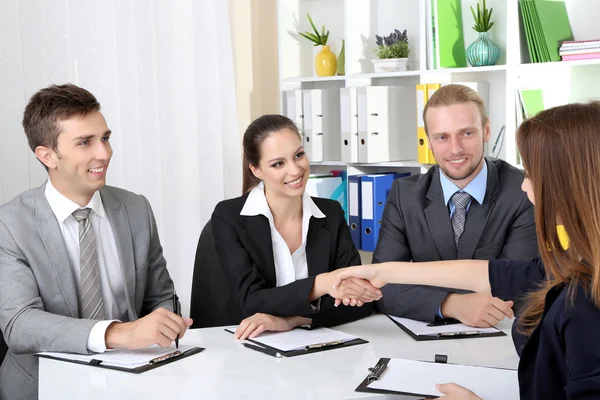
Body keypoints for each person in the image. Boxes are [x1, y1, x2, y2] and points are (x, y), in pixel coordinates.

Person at [334, 102, 600, 399]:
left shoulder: (586, 302)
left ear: (566, 182)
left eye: (531, 174)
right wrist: (381, 270)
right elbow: (498, 273)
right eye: (442, 136)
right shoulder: (580, 264)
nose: (525, 187)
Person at [0, 84, 192, 400]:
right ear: (47, 155)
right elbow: (20, 324)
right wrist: (118, 334)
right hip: (42, 386)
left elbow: (160, 296)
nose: (103, 153)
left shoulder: (135, 209)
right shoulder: (10, 224)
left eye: (104, 138)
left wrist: (164, 324)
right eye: (85, 142)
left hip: (134, 378)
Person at [373, 84, 538, 327]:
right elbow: (381, 286)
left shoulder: (524, 191)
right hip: (419, 339)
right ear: (428, 140)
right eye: (442, 137)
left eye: (467, 134)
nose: (455, 149)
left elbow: (521, 286)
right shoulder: (404, 194)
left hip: (499, 338)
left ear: (487, 130)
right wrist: (449, 304)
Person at [211, 114, 379, 340]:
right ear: (256, 170)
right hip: (250, 346)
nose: (295, 170)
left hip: (317, 345)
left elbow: (360, 301)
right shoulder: (229, 217)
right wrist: (322, 284)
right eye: (278, 163)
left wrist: (292, 321)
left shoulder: (330, 213)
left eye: (298, 155)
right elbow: (250, 302)